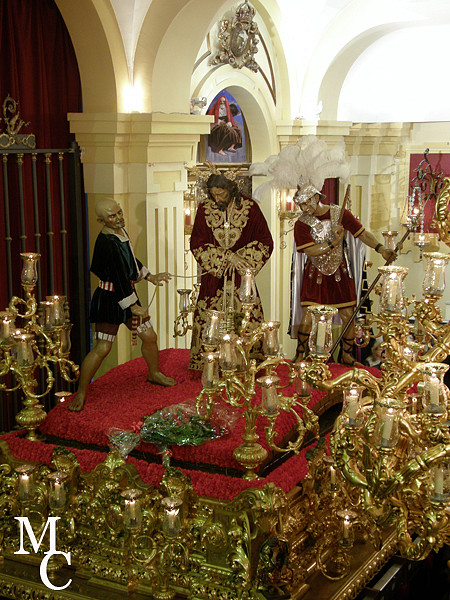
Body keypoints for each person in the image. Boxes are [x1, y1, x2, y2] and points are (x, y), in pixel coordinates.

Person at [69, 197, 176, 412]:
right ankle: (81, 391)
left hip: (127, 294)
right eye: (112, 216)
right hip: (109, 299)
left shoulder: (120, 233)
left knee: (149, 336)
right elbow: (118, 278)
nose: (118, 218)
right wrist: (132, 306)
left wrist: (149, 276)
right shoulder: (106, 243)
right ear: (101, 220)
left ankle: (153, 372)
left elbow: (130, 261)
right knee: (103, 348)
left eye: (119, 213)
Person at [292, 184, 395, 366]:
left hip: (340, 272)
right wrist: (332, 243)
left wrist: (381, 249)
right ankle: (300, 354)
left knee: (348, 314)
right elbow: (310, 250)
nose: (304, 209)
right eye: (301, 205)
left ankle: (346, 355)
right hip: (315, 273)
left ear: (316, 198)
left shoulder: (340, 214)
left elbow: (362, 234)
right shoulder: (301, 223)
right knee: (308, 314)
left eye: (306, 203)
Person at [189, 173, 273, 370]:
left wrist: (240, 261)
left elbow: (265, 241)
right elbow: (197, 243)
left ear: (231, 190)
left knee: (244, 317)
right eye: (213, 195)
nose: (217, 199)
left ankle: (246, 359)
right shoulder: (204, 209)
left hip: (241, 279)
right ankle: (210, 363)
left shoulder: (250, 208)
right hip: (214, 279)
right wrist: (226, 258)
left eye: (221, 194)